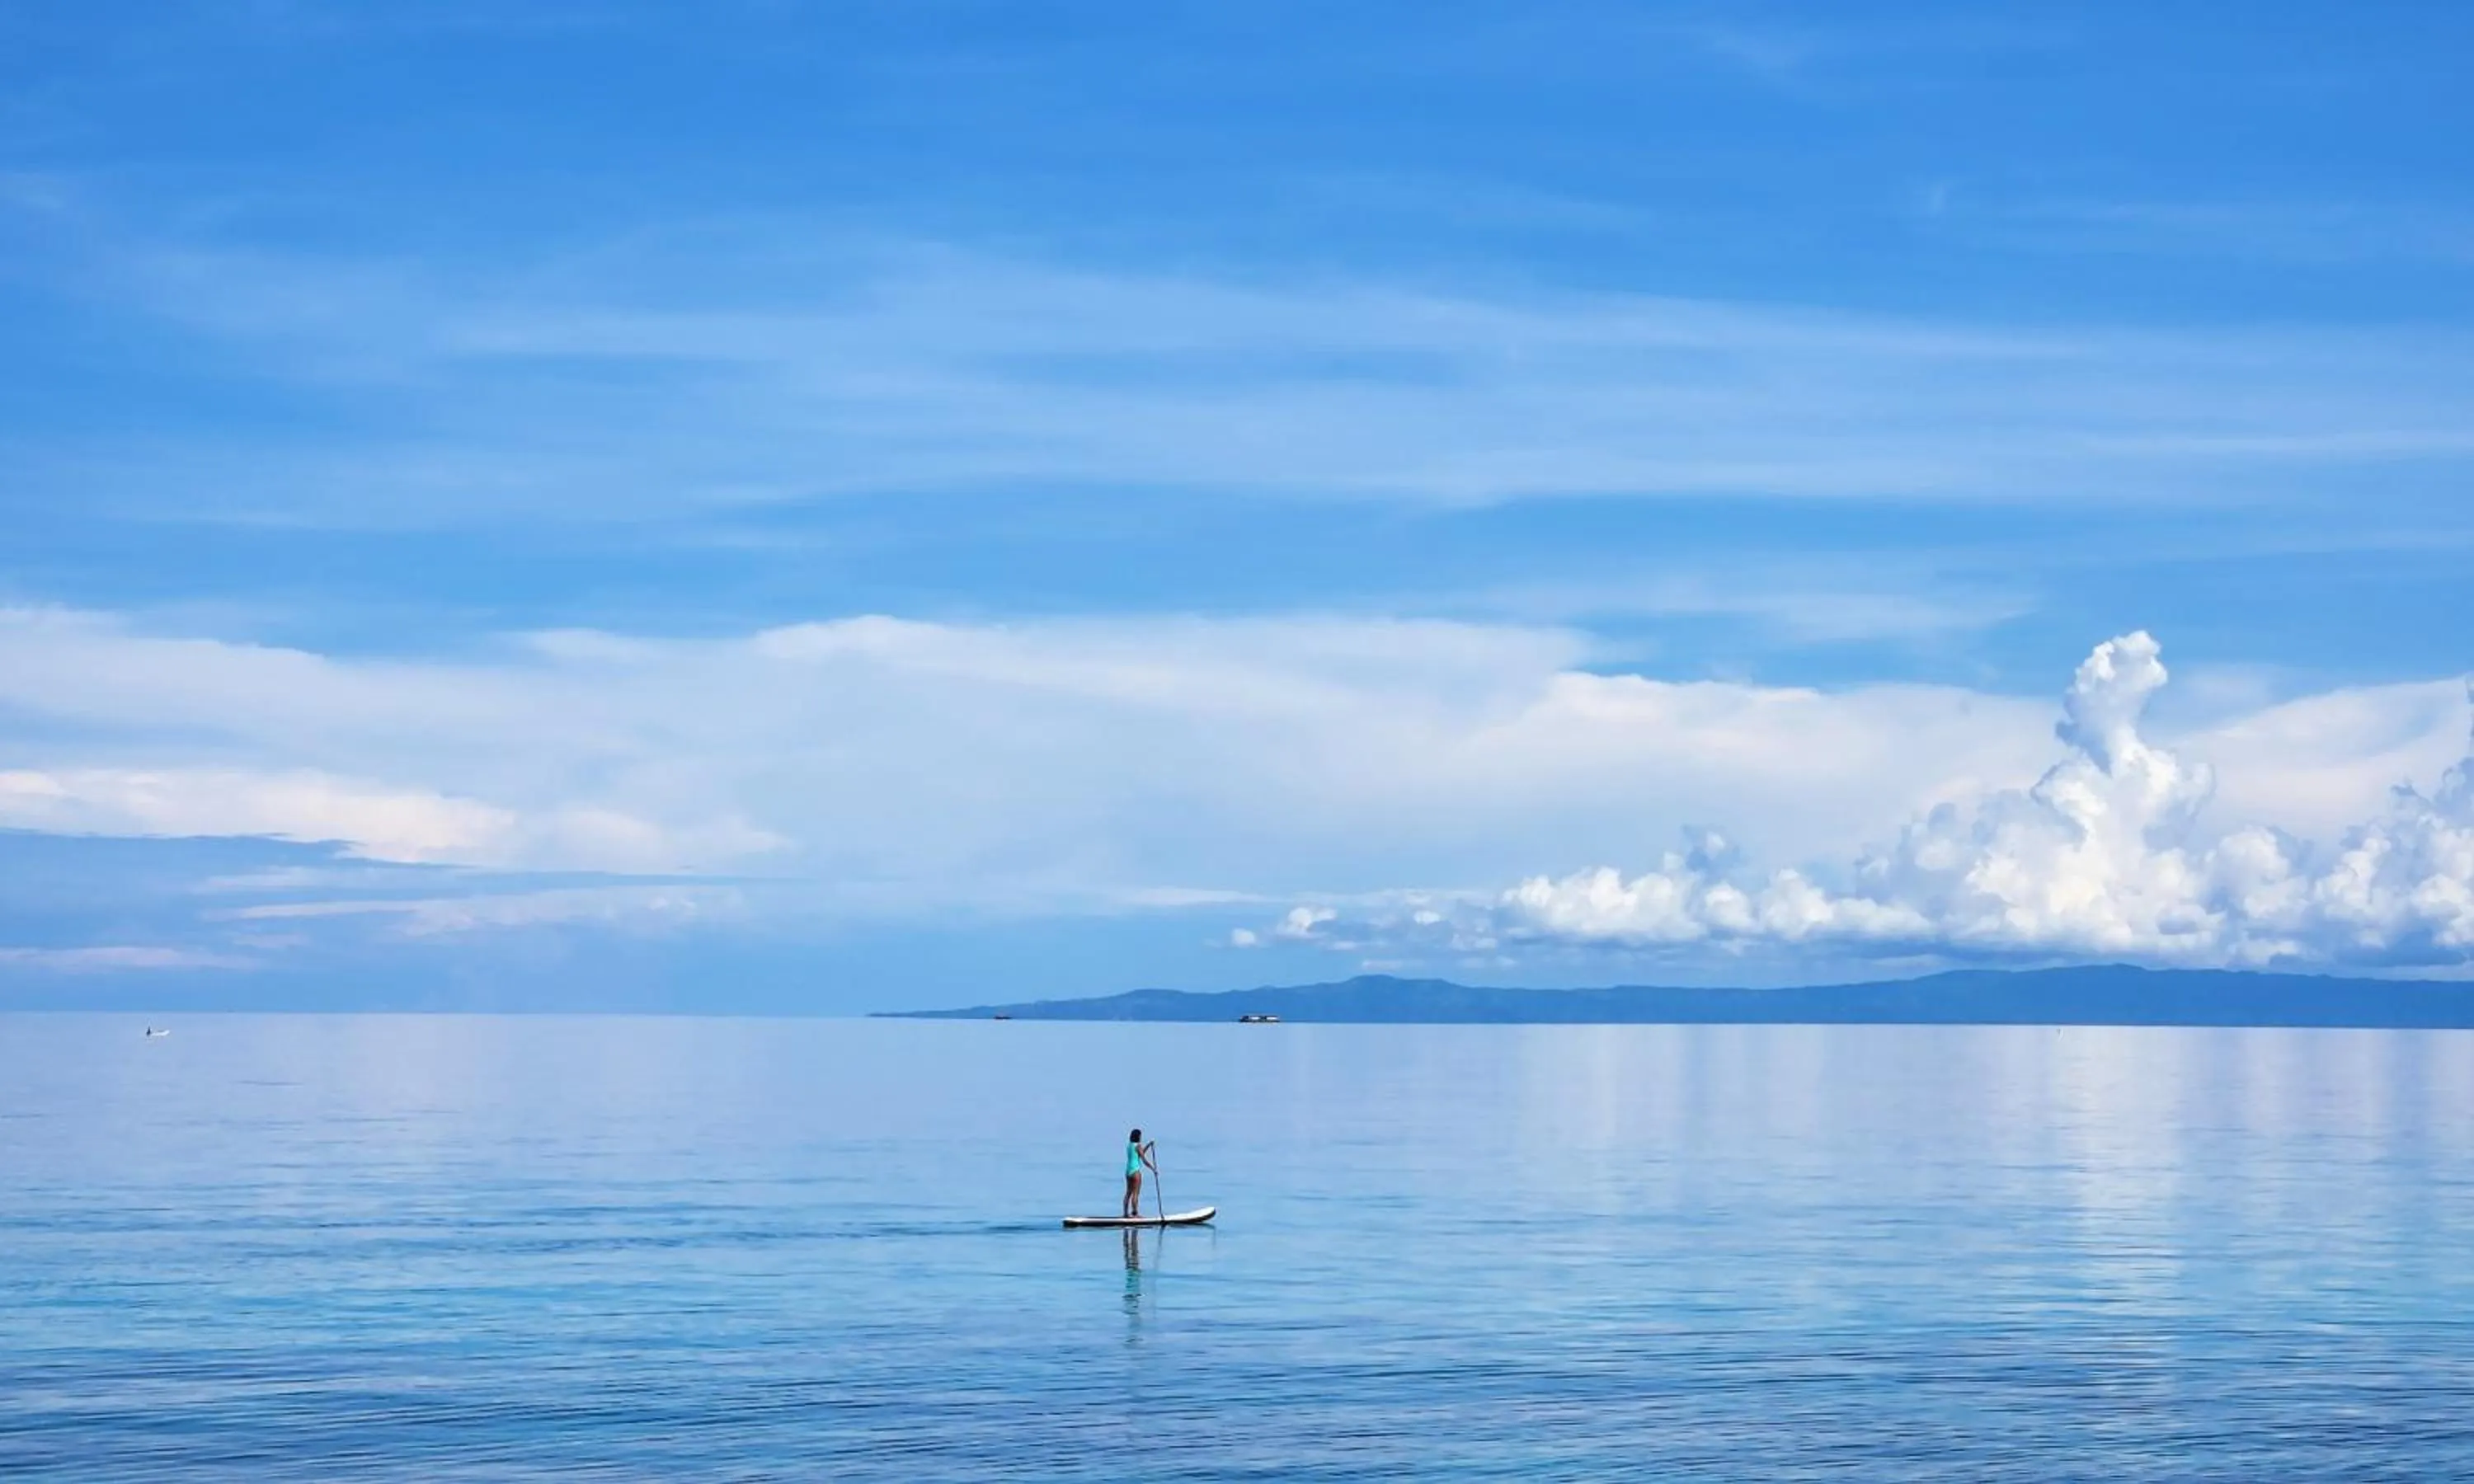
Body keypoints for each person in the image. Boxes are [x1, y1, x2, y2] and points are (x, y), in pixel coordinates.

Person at [1122, 1128, 1157, 1219]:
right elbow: (1144, 1160)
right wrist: (1153, 1169)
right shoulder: (1138, 1146)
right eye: (1140, 1136)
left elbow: (1140, 1153)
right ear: (1138, 1137)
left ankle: (1125, 1214)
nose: (1141, 1137)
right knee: (1136, 1194)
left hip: (1128, 1171)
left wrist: (1149, 1145)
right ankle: (1135, 1214)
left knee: (1128, 1193)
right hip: (1136, 1172)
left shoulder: (1130, 1146)